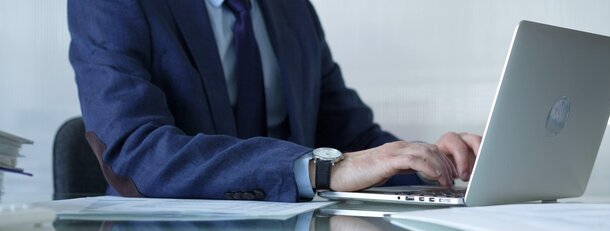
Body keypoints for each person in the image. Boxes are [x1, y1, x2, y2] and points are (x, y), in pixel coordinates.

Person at [68, 0, 481, 202]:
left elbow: (355, 138)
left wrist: (435, 164)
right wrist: (320, 170)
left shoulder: (291, 9)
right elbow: (135, 152)